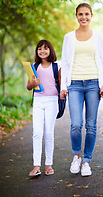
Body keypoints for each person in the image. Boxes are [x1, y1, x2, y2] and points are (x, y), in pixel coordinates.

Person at [60, 3, 103, 177]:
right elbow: (64, 63)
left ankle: (87, 161)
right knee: (75, 124)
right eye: (80, 14)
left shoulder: (98, 37)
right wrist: (63, 87)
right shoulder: (68, 37)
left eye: (87, 14)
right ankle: (77, 156)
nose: (84, 17)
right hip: (74, 84)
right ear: (76, 16)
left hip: (93, 83)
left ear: (91, 15)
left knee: (91, 125)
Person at [27, 39, 61, 177]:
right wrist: (33, 83)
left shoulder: (56, 67)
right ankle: (36, 166)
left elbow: (61, 84)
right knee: (37, 132)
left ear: (50, 50)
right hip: (38, 101)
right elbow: (29, 87)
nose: (42, 51)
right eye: (40, 48)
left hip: (52, 101)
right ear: (37, 51)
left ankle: (49, 164)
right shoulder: (34, 67)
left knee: (48, 133)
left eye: (45, 48)